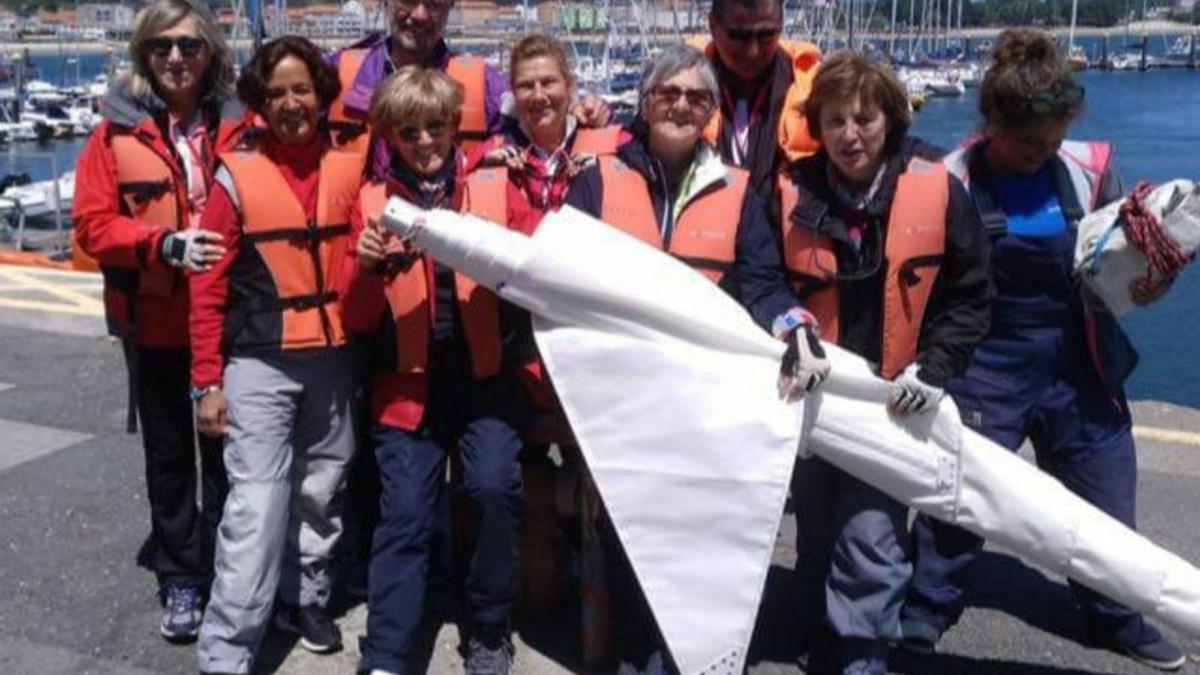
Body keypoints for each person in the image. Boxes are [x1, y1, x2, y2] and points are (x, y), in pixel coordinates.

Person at [899, 29, 1186, 672]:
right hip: (984, 361)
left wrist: (1153, 263)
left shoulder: (1086, 168)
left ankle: (1117, 614)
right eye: (1030, 143)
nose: (1043, 152)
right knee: (961, 495)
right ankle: (926, 605)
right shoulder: (949, 180)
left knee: (1107, 499)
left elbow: (1118, 263)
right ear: (991, 121)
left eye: (1053, 141)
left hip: (1076, 360)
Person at [564, 43, 830, 674]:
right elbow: (561, 274)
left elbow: (762, 282)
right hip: (622, 392)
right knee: (629, 527)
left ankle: (681, 650)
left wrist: (794, 323)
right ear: (645, 100)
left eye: (697, 98)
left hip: (699, 393)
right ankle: (633, 647)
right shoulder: (597, 181)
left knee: (693, 530)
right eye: (668, 93)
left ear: (711, 111)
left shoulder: (736, 191)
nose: (681, 106)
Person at [779, 52, 993, 675]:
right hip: (815, 395)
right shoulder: (789, 193)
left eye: (865, 120)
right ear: (818, 125)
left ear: (891, 121)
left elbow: (972, 293)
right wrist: (789, 329)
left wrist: (937, 366)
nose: (851, 135)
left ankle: (865, 654)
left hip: (893, 400)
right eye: (836, 120)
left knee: (871, 534)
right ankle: (824, 628)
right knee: (816, 530)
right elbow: (762, 278)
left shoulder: (937, 189)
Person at [340, 67, 532, 675]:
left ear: (455, 126)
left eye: (435, 127)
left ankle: (489, 624)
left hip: (484, 380)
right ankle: (389, 653)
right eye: (409, 131)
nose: (424, 141)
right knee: (404, 518)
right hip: (406, 388)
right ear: (390, 137)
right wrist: (366, 268)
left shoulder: (498, 188)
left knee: (494, 489)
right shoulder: (371, 205)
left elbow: (538, 274)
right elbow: (355, 317)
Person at [189, 36, 364, 674]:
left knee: (322, 490)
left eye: (303, 89)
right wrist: (206, 381)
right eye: (278, 91)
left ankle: (306, 597)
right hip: (259, 363)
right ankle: (227, 650)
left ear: (321, 96)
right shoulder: (234, 177)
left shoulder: (354, 163)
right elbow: (206, 284)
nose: (293, 102)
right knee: (256, 506)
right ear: (261, 102)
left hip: (334, 358)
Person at [71, 0, 244, 643]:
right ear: (144, 52)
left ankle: (232, 569)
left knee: (229, 455)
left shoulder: (238, 123)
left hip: (230, 322)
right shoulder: (111, 135)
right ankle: (181, 575)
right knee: (170, 456)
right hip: (155, 321)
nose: (176, 57)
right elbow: (90, 226)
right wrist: (160, 243)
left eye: (190, 46)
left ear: (211, 54)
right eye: (163, 45)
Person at [326, 0, 609, 173]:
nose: (420, 14)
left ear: (450, 7)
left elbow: (534, 115)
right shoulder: (337, 73)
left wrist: (576, 109)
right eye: (409, 0)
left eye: (435, 3)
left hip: (449, 250)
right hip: (366, 245)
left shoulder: (481, 84)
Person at [688, 0, 821, 197]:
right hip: (707, 224)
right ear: (713, 27)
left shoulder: (815, 89)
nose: (752, 51)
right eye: (739, 36)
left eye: (766, 35)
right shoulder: (678, 88)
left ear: (781, 25)